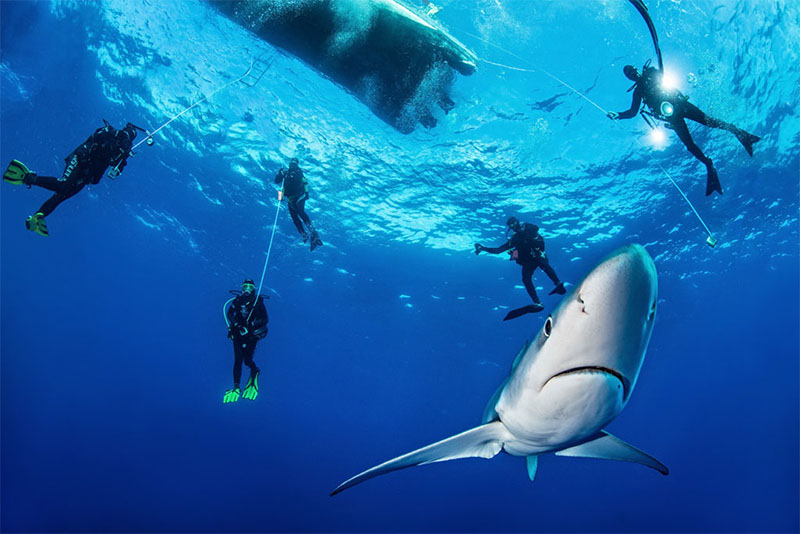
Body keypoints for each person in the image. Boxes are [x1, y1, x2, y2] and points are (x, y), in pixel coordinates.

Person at [607, 64, 760, 196]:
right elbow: (633, 112)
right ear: (629, 79)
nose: (632, 74)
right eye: (629, 74)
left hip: (680, 104)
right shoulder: (638, 92)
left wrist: (653, 76)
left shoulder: (651, 72)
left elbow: (662, 74)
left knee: (709, 121)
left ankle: (740, 133)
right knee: (689, 145)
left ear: (636, 69)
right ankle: (708, 164)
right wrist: (619, 115)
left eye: (632, 70)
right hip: (672, 117)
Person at [2, 121, 139, 236]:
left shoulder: (122, 152)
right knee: (64, 185)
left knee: (61, 196)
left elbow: (116, 167)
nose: (127, 138)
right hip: (80, 159)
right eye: (128, 133)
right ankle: (28, 177)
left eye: (131, 136)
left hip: (86, 176)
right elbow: (96, 136)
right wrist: (114, 134)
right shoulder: (110, 131)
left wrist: (121, 161)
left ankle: (39, 215)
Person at [475, 216, 566, 320]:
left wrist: (526, 227)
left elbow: (536, 228)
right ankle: (537, 303)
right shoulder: (514, 239)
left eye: (514, 223)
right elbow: (498, 250)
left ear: (517, 222)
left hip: (537, 255)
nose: (513, 226)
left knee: (545, 266)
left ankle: (558, 284)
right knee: (525, 279)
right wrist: (483, 248)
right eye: (510, 225)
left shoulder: (527, 228)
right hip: (527, 262)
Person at [223, 279, 269, 404]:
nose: (247, 289)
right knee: (237, 360)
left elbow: (265, 319)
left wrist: (250, 327)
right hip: (238, 334)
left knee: (247, 360)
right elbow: (229, 314)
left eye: (250, 286)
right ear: (242, 288)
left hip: (251, 336)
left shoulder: (257, 302)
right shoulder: (237, 301)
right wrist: (237, 325)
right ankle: (236, 387)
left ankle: (255, 371)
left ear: (254, 289)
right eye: (245, 286)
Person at [274, 158, 323, 251]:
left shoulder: (299, 172)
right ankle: (303, 233)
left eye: (295, 163)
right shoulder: (285, 173)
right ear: (289, 164)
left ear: (297, 164)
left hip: (300, 196)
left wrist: (306, 193)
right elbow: (277, 182)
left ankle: (314, 233)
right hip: (290, 199)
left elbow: (304, 182)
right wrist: (279, 174)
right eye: (291, 163)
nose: (293, 164)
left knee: (300, 212)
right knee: (294, 218)